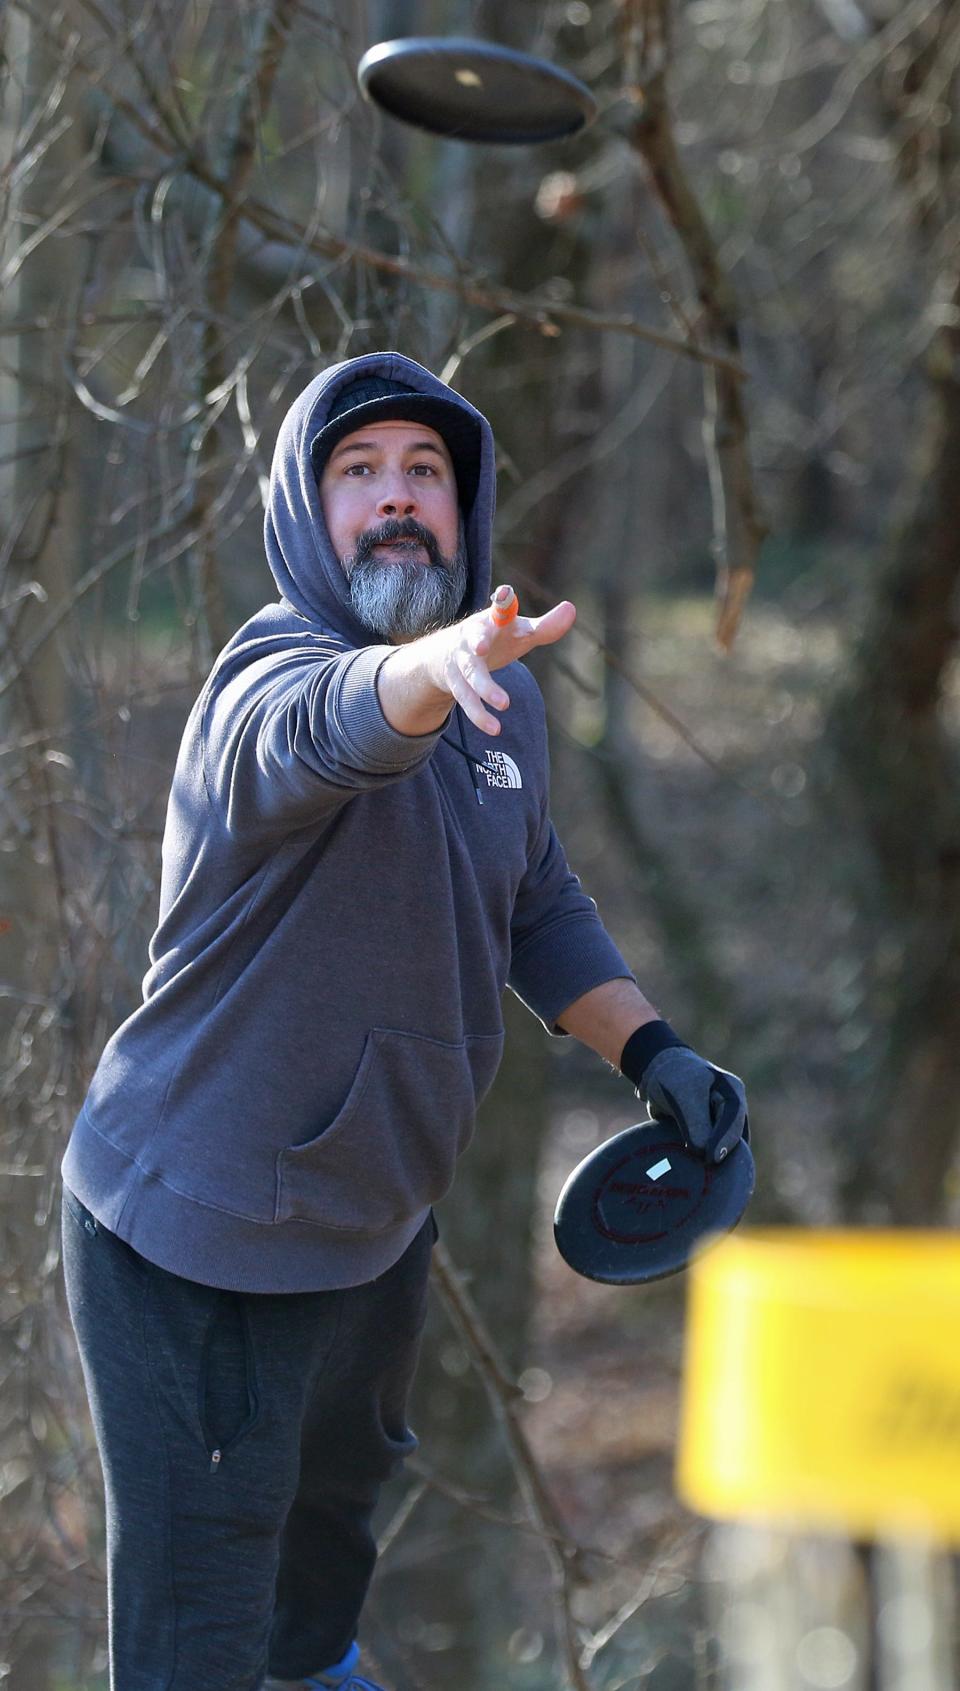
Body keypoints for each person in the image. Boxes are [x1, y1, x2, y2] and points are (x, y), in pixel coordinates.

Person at [60, 351, 747, 1691]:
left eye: (423, 472)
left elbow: (535, 901)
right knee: (199, 1644)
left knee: (313, 1608)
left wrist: (655, 1054)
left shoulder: (506, 711)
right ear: (303, 515)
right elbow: (331, 732)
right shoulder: (263, 686)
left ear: (466, 503)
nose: (394, 500)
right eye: (357, 472)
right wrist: (427, 664)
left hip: (369, 1235)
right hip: (195, 1244)